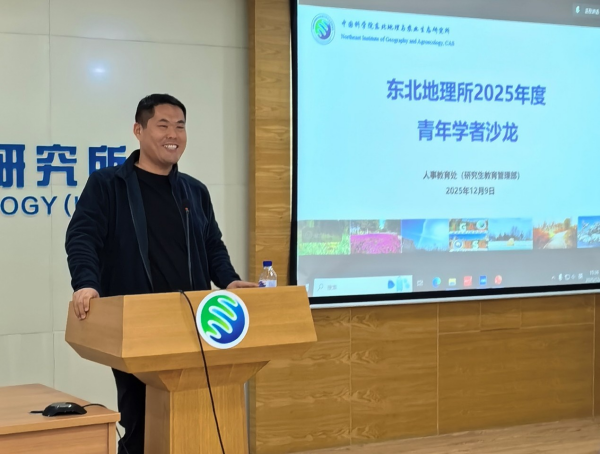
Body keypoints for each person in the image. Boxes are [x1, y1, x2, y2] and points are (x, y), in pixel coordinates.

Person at [65, 94, 257, 454]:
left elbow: (212, 245)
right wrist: (86, 284)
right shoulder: (108, 185)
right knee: (141, 423)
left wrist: (229, 280)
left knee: (199, 420)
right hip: (138, 326)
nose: (174, 134)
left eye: (180, 126)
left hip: (197, 326)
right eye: (163, 125)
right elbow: (82, 238)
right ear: (138, 131)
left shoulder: (194, 191)